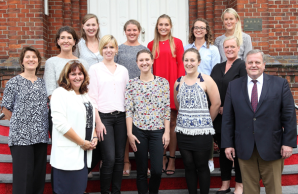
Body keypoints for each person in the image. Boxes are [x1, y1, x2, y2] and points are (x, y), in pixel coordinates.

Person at [222, 49, 297, 194]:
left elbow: (289, 116)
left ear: (264, 65)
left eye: (257, 62)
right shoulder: (234, 86)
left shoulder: (280, 84)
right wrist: (228, 144)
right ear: (245, 65)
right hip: (244, 147)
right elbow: (228, 118)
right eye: (250, 62)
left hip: (272, 146)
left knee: (274, 189)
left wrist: (288, 143)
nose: (253, 65)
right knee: (249, 190)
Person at [1, 46, 49, 194]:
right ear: (22, 61)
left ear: (38, 61)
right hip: (21, 138)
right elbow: (5, 109)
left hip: (40, 136)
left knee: (37, 179)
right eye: (28, 57)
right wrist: (21, 123)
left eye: (34, 57)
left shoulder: (43, 83)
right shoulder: (13, 82)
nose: (31, 60)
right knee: (23, 179)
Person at [174, 48, 221, 194]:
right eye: (186, 60)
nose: (189, 63)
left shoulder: (206, 79)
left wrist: (205, 121)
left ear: (199, 62)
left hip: (202, 132)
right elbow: (178, 105)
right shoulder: (178, 81)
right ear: (183, 62)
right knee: (188, 165)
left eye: (192, 60)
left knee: (201, 165)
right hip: (183, 131)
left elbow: (216, 104)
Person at [50, 60, 101, 194]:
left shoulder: (85, 95)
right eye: (73, 74)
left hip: (84, 153)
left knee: (79, 189)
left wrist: (94, 135)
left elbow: (89, 119)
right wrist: (81, 142)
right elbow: (60, 124)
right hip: (68, 153)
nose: (77, 77)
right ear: (66, 77)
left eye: (80, 73)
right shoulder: (59, 93)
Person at [125, 49, 170, 194]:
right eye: (141, 60)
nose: (144, 63)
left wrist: (167, 132)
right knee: (142, 171)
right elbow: (129, 110)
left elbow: (166, 109)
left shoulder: (163, 83)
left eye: (146, 59)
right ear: (137, 63)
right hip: (139, 131)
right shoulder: (131, 84)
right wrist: (130, 133)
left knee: (157, 170)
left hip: (157, 131)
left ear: (152, 61)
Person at [88, 35, 129, 194]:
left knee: (119, 159)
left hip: (121, 118)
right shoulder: (95, 69)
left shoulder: (123, 70)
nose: (108, 50)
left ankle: (116, 191)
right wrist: (98, 122)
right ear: (101, 49)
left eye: (111, 47)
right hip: (103, 118)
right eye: (105, 47)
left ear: (116, 49)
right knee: (109, 158)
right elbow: (92, 98)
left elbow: (127, 95)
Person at [147, 14, 185, 175]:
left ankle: (172, 158)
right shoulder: (150, 44)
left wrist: (179, 87)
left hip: (173, 86)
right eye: (160, 24)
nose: (163, 27)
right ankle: (161, 156)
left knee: (172, 123)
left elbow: (182, 65)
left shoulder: (177, 43)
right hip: (156, 89)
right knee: (159, 125)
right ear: (157, 26)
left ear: (170, 26)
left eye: (166, 25)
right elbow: (147, 67)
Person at [210, 36, 246, 194]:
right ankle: (225, 184)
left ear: (238, 48)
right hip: (218, 116)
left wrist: (229, 107)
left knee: (237, 150)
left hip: (236, 116)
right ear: (223, 49)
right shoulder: (217, 67)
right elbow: (210, 87)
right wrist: (214, 106)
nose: (229, 49)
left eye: (232, 47)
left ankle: (239, 184)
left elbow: (245, 91)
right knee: (223, 149)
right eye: (227, 47)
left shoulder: (242, 66)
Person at [114, 19, 149, 176]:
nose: (132, 32)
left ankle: (143, 162)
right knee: (125, 129)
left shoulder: (144, 49)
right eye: (129, 30)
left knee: (140, 128)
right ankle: (126, 161)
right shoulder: (119, 49)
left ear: (139, 31)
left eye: (135, 30)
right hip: (123, 93)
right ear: (125, 31)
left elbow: (148, 70)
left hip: (141, 92)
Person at [73, 13, 103, 180]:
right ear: (83, 27)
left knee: (102, 129)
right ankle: (86, 166)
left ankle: (100, 161)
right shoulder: (78, 45)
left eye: (94, 24)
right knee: (87, 129)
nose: (91, 28)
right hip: (85, 91)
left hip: (103, 92)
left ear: (98, 26)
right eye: (88, 25)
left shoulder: (103, 42)